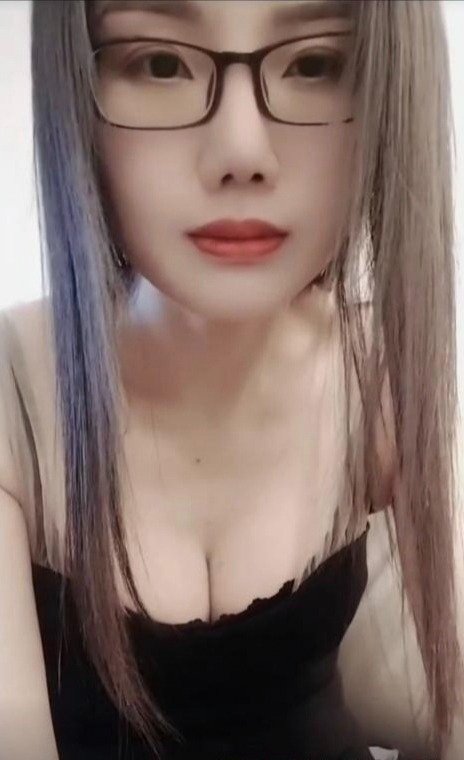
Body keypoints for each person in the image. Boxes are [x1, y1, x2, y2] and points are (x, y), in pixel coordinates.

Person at [0, 0, 462, 758]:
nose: (241, 152)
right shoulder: (13, 394)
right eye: (159, 63)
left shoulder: (382, 375)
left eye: (316, 63)